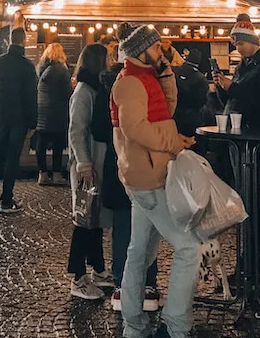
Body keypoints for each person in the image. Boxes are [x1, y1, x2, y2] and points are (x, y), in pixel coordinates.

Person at [111, 24, 197, 338]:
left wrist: (166, 73)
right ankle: (176, 324)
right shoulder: (132, 82)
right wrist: (173, 142)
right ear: (143, 50)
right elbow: (135, 128)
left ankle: (134, 325)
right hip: (149, 175)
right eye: (157, 47)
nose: (162, 51)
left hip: (144, 173)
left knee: (140, 251)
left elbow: (165, 110)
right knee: (189, 247)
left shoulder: (145, 78)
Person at [91, 30, 160, 313]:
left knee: (124, 226)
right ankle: (146, 284)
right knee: (148, 224)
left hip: (118, 163)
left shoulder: (108, 83)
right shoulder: (147, 83)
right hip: (144, 163)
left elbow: (97, 128)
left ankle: (122, 283)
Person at [213, 13, 260, 281]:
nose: (236, 48)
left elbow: (257, 98)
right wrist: (223, 87)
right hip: (237, 136)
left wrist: (234, 87)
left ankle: (257, 264)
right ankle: (252, 263)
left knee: (250, 200)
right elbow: (233, 95)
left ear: (251, 41)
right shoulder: (246, 66)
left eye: (240, 43)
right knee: (244, 200)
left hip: (251, 139)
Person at [67, 42, 110, 300]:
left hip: (95, 163)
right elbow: (76, 129)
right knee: (83, 219)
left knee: (94, 218)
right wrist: (84, 163)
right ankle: (77, 276)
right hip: (87, 166)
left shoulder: (95, 88)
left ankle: (98, 268)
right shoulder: (84, 91)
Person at [0, 25, 37, 214]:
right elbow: (31, 97)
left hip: (1, 116)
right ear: (23, 41)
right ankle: (6, 200)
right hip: (19, 117)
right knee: (12, 158)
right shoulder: (27, 66)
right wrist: (32, 123)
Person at [35, 41, 72, 186]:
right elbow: (67, 92)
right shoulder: (61, 69)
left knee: (41, 143)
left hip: (42, 109)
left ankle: (42, 174)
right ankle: (56, 173)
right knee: (58, 143)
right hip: (57, 110)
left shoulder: (40, 68)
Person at [173, 48, 210, 138]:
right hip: (193, 116)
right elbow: (203, 100)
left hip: (175, 114)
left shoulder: (173, 71)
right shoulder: (201, 78)